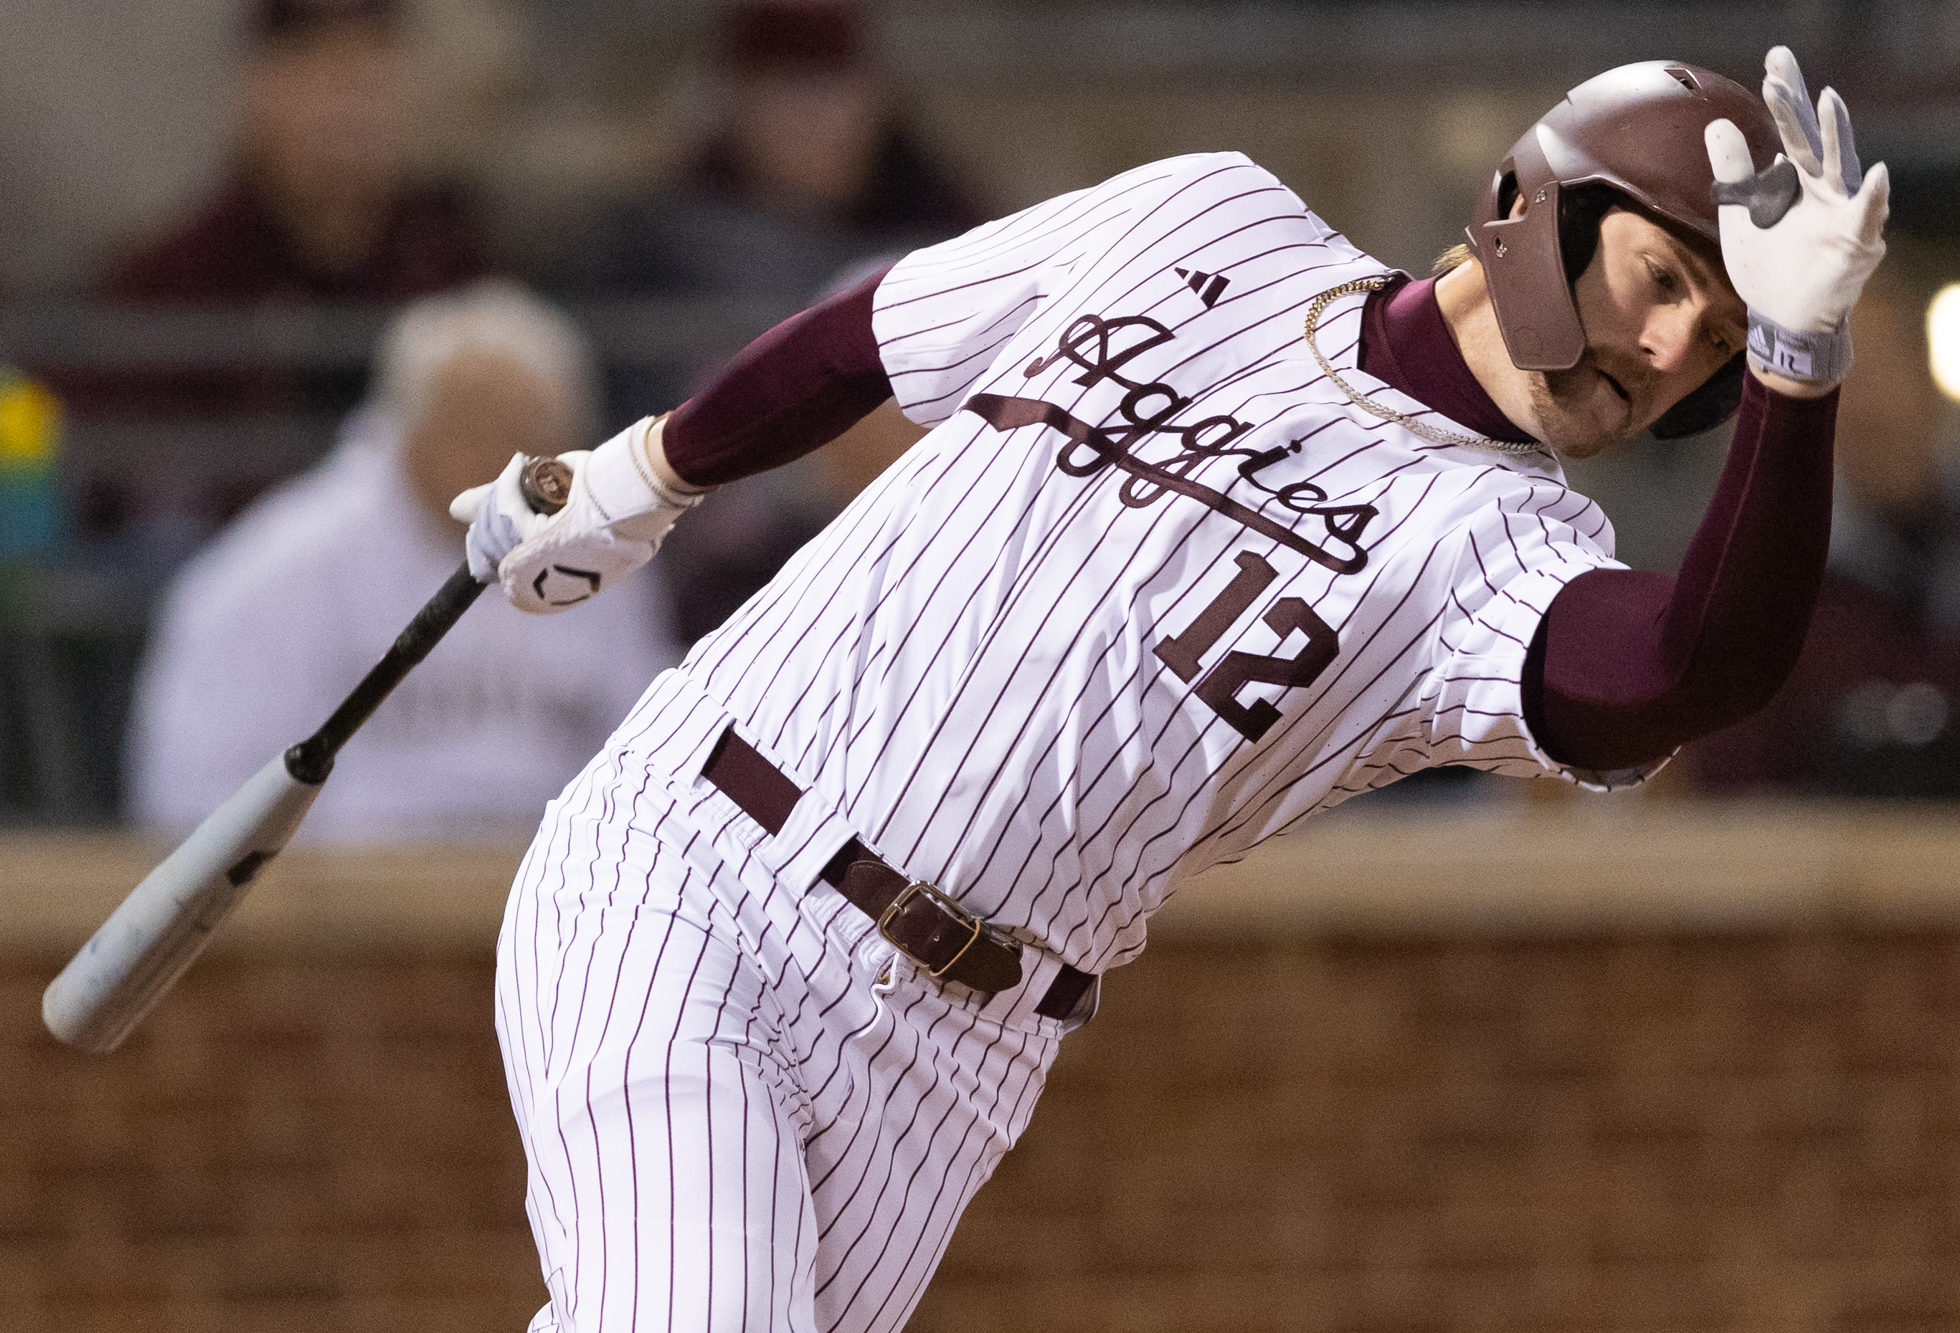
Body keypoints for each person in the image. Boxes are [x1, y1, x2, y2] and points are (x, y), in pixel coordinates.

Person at [452, 50, 1887, 1331]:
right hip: (700, 856)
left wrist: (1794, 364)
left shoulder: (1506, 550)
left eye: (1710, 339)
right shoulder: (1214, 216)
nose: (1666, 354)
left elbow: (1690, 670)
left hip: (954, 1046)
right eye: (1666, 286)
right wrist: (642, 475)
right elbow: (868, 338)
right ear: (1543, 205)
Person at [128, 283, 676, 846]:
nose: (505, 458)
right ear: (407, 426)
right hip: (336, 909)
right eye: (473, 428)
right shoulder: (278, 568)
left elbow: (646, 772)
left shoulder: (609, 556)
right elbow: (189, 797)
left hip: (557, 900)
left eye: (532, 436)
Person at [1689, 246, 1960, 795]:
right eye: (1843, 377)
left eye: (1889, 364)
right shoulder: (1761, 582)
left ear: (1928, 381)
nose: (1871, 403)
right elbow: (1733, 796)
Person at [556, 0, 982, 306]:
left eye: (839, 87)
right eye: (795, 89)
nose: (824, 119)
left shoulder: (942, 230)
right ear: (735, 104)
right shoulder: (654, 250)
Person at [103, 0, 489, 304]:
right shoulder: (175, 286)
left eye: (364, 78)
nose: (344, 111)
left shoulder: (459, 277)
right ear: (252, 92)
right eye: (312, 76)